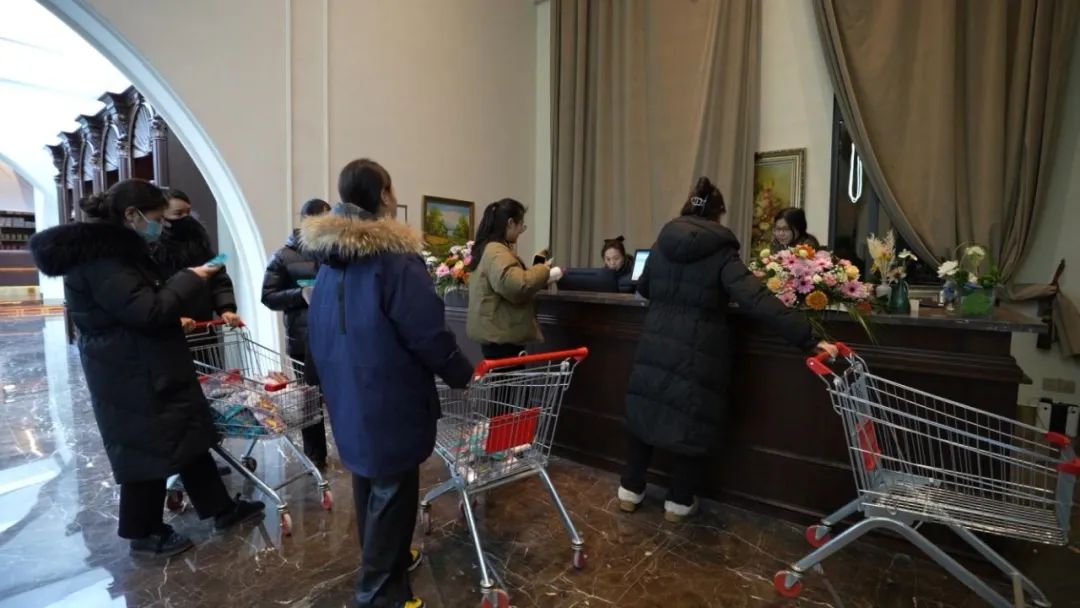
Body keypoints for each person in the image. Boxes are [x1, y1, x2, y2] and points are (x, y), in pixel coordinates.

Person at [28, 179, 265, 558]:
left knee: (186, 437)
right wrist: (189, 279)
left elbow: (141, 302)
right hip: (130, 368)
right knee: (146, 449)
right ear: (131, 215)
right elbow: (147, 311)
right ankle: (144, 532)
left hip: (148, 361)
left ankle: (220, 508)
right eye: (157, 217)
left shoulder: (118, 253)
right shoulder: (102, 261)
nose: (161, 225)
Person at [303, 159, 473, 608]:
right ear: (382, 195)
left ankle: (389, 560)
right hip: (390, 392)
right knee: (393, 489)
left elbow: (316, 326)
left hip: (347, 390)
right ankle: (379, 593)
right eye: (392, 189)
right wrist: (459, 370)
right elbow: (426, 330)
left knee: (370, 478)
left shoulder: (328, 260)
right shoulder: (395, 260)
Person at [617, 177, 838, 523]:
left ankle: (630, 491)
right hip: (698, 349)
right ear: (718, 214)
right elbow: (757, 299)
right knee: (690, 419)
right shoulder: (721, 251)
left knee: (645, 410)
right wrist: (808, 337)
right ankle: (678, 504)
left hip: (654, 341)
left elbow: (643, 287)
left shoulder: (662, 243)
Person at [261, 197, 332, 469]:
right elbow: (268, 296)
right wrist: (300, 294)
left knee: (342, 396)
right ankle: (316, 456)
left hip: (336, 338)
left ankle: (352, 447)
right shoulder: (284, 256)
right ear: (306, 222)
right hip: (303, 341)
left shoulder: (335, 252)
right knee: (309, 400)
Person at [466, 198, 563, 360]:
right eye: (521, 225)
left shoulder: (488, 248)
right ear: (511, 223)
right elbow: (517, 286)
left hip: (495, 334)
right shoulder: (497, 251)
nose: (521, 231)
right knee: (506, 376)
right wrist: (544, 270)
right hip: (502, 338)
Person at [151, 188, 243, 330]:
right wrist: (172, 318)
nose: (186, 218)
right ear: (161, 218)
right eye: (178, 214)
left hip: (203, 327)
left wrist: (226, 309)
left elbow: (219, 279)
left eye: (188, 212)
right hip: (170, 329)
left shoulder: (202, 243)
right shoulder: (152, 250)